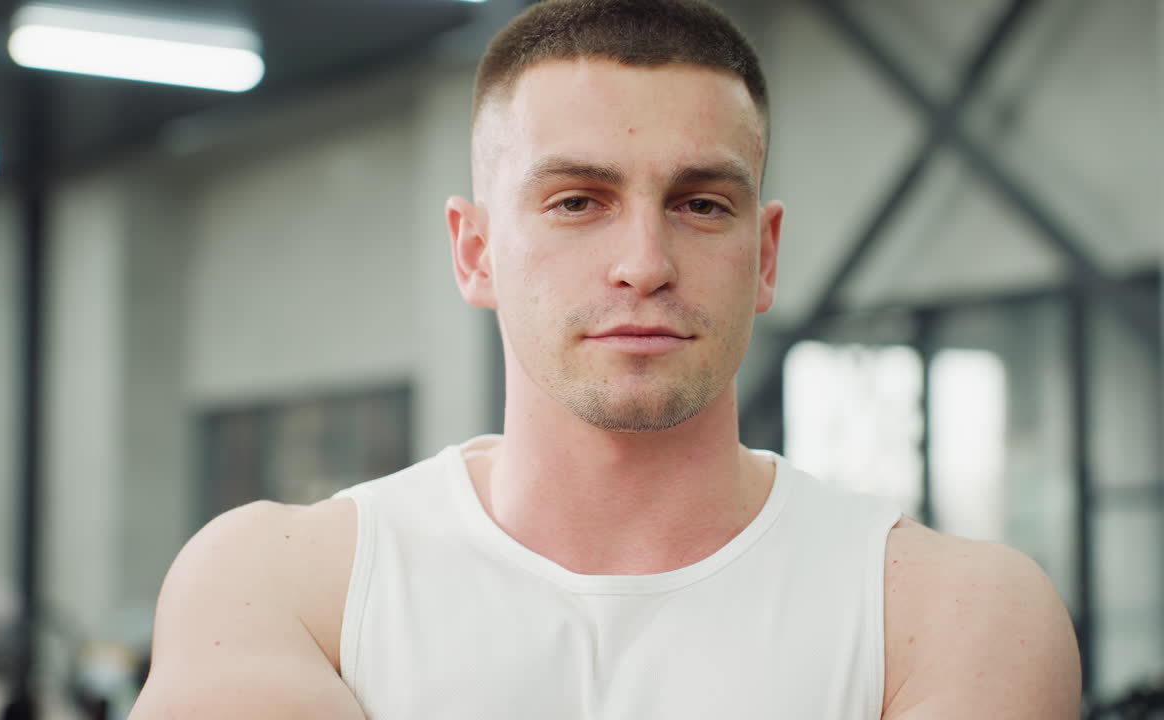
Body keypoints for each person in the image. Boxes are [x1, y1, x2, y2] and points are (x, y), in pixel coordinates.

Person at [131, 0, 1082, 717]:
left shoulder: (957, 613)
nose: (644, 265)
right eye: (577, 201)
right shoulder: (282, 585)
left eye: (702, 203)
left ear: (765, 254)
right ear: (476, 251)